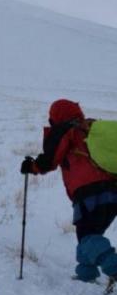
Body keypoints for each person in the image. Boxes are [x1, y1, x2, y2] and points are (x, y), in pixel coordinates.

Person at [21, 100, 117, 283]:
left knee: (88, 236)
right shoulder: (90, 127)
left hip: (89, 191)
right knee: (87, 236)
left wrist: (32, 166)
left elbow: (49, 160)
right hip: (112, 190)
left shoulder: (65, 129)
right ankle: (85, 276)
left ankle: (114, 267)